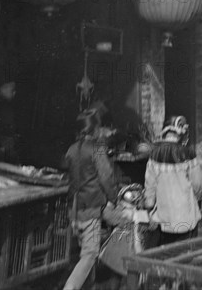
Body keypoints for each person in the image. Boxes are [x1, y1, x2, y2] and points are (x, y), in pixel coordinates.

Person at [62, 106, 118, 290]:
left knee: (81, 253)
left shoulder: (70, 149)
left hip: (74, 209)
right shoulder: (98, 149)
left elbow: (70, 171)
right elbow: (107, 176)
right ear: (95, 129)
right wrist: (113, 198)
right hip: (92, 209)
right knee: (90, 253)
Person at [144, 116, 202, 245]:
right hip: (186, 217)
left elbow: (150, 187)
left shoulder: (154, 154)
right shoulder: (188, 153)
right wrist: (198, 201)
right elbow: (197, 184)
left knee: (167, 255)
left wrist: (149, 208)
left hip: (164, 220)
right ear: (181, 132)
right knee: (186, 255)